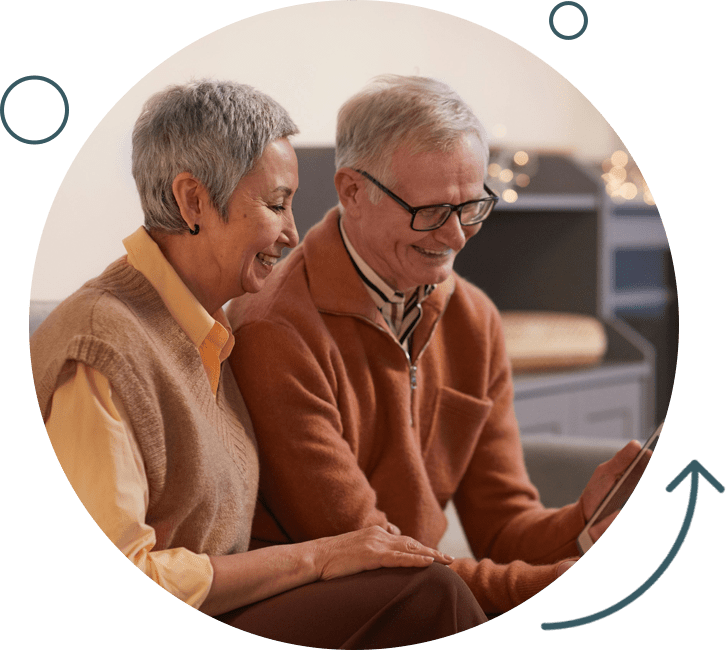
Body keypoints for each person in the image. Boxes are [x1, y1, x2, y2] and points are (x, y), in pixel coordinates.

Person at [29, 80, 488, 647]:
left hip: (224, 609)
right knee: (428, 596)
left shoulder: (205, 331)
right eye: (275, 205)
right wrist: (316, 558)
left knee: (422, 587)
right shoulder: (101, 346)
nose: (293, 232)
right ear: (192, 200)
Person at [226, 75, 648, 615]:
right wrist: (561, 583)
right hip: (326, 606)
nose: (455, 238)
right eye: (429, 212)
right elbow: (376, 554)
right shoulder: (276, 333)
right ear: (352, 191)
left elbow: (503, 525)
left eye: (471, 208)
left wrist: (586, 523)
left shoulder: (474, 317)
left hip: (426, 585)